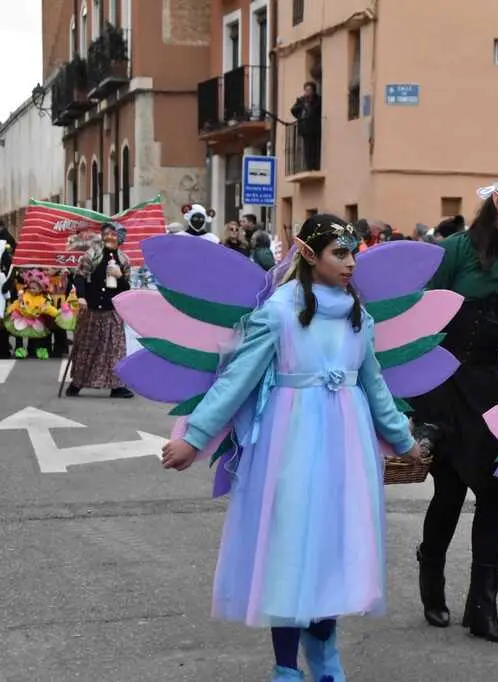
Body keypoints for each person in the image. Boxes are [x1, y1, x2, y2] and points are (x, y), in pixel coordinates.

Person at [159, 214, 422, 681]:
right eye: (339, 253)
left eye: (352, 253)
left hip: (346, 448)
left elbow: (374, 384)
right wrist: (194, 438)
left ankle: (325, 657)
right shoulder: (279, 312)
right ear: (308, 254)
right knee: (288, 549)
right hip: (290, 445)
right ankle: (285, 668)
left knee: (331, 547)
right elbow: (237, 379)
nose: (350, 264)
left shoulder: (360, 318)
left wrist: (403, 440)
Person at [410, 173, 498, 644]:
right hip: (447, 386)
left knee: (493, 494)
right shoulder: (456, 250)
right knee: (448, 492)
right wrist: (416, 398)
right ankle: (432, 582)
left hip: (496, 389)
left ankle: (483, 608)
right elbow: (422, 319)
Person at [66, 222, 133, 398]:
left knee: (115, 350)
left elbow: (127, 289)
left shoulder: (124, 260)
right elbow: (80, 277)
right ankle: (77, 383)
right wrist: (81, 296)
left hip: (113, 311)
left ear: (120, 239)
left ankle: (117, 386)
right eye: (106, 234)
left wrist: (120, 277)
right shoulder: (91, 255)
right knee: (87, 347)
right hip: (92, 309)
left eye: (113, 234)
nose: (109, 237)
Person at [291, 81, 322, 172]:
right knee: (307, 148)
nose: (307, 92)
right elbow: (293, 110)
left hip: (314, 127)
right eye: (306, 90)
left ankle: (315, 166)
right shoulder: (301, 100)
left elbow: (318, 109)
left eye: (309, 90)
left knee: (315, 148)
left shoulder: (318, 99)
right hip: (305, 127)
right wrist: (300, 117)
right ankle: (309, 167)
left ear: (313, 90)